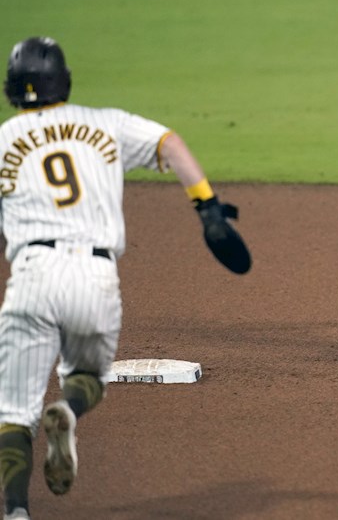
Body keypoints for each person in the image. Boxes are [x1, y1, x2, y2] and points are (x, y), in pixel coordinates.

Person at [0, 37, 248, 520]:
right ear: (64, 82)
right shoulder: (104, 123)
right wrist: (208, 207)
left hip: (31, 275)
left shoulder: (4, 139)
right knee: (88, 376)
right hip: (94, 275)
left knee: (14, 413)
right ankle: (69, 411)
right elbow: (169, 143)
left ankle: (15, 512)